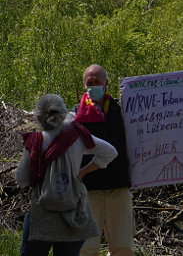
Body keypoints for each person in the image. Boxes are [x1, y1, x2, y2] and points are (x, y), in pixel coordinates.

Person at [15, 94, 118, 256]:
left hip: (42, 215)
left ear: (39, 116)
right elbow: (110, 152)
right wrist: (83, 172)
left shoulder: (35, 142)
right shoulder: (78, 136)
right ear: (64, 112)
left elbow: (21, 177)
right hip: (74, 214)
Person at [72, 65, 135, 256]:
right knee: (86, 248)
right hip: (88, 191)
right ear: (84, 85)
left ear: (106, 83)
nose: (93, 87)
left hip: (119, 188)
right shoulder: (75, 115)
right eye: (89, 83)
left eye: (97, 82)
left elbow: (152, 134)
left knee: (123, 247)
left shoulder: (124, 111)